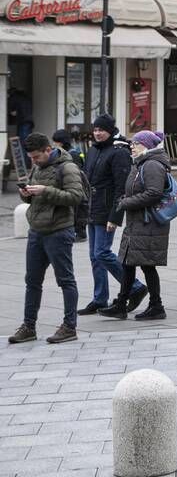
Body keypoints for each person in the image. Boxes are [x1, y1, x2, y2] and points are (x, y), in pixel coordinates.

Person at [8, 132, 84, 345]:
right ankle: (28, 327)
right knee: (32, 281)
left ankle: (69, 326)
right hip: (36, 231)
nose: (33, 161)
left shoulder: (67, 167)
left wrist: (46, 190)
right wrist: (26, 192)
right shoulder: (37, 166)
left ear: (48, 150)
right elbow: (32, 198)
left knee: (65, 280)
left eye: (36, 157)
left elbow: (76, 197)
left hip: (59, 231)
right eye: (30, 157)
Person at [99, 131, 172, 320]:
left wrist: (126, 203)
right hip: (138, 222)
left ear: (146, 145)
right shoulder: (140, 163)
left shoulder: (153, 165)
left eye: (136, 143)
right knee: (127, 263)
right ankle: (121, 305)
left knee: (147, 266)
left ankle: (157, 307)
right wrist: (126, 200)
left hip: (149, 223)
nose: (132, 146)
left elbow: (154, 193)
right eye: (132, 143)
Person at [79, 115, 144, 316]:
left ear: (110, 130)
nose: (97, 133)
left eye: (101, 130)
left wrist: (115, 217)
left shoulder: (119, 152)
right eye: (95, 129)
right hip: (92, 208)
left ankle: (135, 286)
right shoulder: (92, 150)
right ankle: (100, 299)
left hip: (106, 211)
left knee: (102, 252)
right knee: (94, 257)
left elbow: (121, 188)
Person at [52, 129, 89, 243]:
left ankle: (81, 233)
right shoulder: (59, 153)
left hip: (77, 186)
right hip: (67, 185)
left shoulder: (73, 153)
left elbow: (77, 171)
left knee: (79, 210)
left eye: (56, 142)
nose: (54, 144)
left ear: (61, 142)